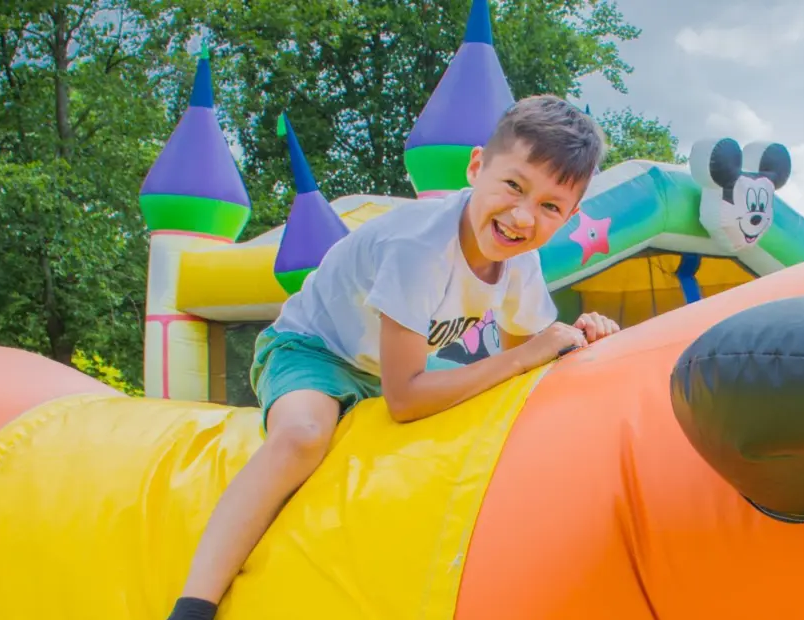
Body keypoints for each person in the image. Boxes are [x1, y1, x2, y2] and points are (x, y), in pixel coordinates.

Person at [165, 95, 623, 620]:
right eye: (514, 186)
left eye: (550, 207)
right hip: (315, 350)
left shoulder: (521, 264)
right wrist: (527, 357)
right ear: (477, 167)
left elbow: (531, 367)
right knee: (303, 435)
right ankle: (194, 600)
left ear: (569, 217)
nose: (522, 216)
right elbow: (406, 398)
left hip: (388, 369)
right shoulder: (420, 245)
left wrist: (586, 336)